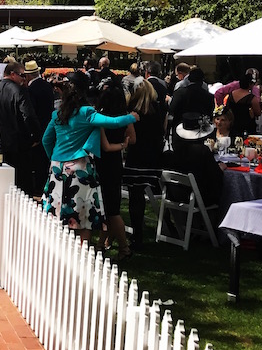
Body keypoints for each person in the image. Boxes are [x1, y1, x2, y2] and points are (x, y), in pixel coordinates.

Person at [41, 73, 138, 243]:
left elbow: (46, 140)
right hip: (80, 167)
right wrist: (132, 117)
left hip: (57, 167)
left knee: (56, 213)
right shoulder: (87, 112)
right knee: (83, 217)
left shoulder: (56, 114)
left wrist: (53, 158)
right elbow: (112, 122)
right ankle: (82, 254)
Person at [0, 60, 42, 195]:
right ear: (13, 74)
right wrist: (36, 136)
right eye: (22, 75)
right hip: (18, 145)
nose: (24, 79)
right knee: (21, 184)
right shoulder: (20, 91)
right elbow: (28, 116)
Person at [94, 82, 135, 260]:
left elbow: (103, 144)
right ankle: (100, 244)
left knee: (111, 210)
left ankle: (124, 248)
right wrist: (123, 144)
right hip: (116, 162)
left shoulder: (101, 118)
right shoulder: (125, 117)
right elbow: (132, 139)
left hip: (102, 162)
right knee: (109, 206)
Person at [125, 79, 165, 248]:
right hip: (154, 157)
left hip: (137, 156)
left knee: (135, 195)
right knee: (140, 194)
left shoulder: (133, 112)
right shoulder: (160, 110)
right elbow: (162, 131)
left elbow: (131, 137)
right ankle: (139, 231)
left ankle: (137, 234)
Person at [161, 113, 224, 207]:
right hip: (198, 198)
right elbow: (216, 177)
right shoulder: (202, 151)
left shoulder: (171, 153)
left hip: (174, 195)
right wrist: (220, 169)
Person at [24, 60, 56, 192]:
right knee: (45, 160)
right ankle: (44, 185)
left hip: (38, 129)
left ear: (28, 75)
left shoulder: (31, 90)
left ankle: (38, 188)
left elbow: (31, 112)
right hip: (48, 126)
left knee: (37, 161)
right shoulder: (47, 86)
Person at [168, 68, 213, 147]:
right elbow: (210, 113)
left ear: (188, 79)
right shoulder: (208, 96)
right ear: (202, 80)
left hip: (181, 130)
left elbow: (172, 109)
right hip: (201, 131)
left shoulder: (180, 93)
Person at [223, 70, 261, 136]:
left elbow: (228, 107)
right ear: (249, 84)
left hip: (234, 124)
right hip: (247, 126)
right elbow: (258, 113)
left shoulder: (232, 94)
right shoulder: (251, 98)